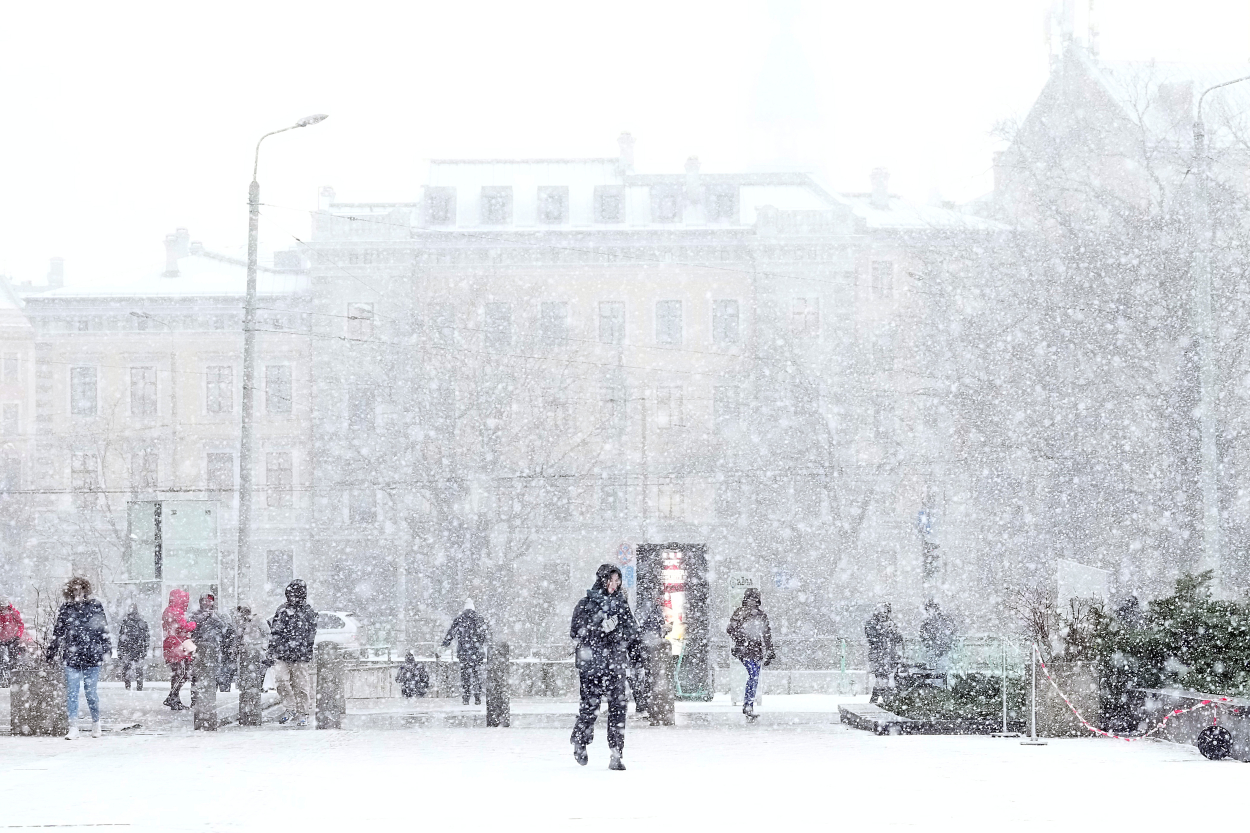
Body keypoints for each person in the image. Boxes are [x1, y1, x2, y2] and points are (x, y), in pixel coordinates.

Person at [570, 564, 638, 771]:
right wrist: (598, 626)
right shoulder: (585, 604)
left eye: (618, 581)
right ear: (602, 580)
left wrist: (634, 658)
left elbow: (632, 632)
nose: (614, 585)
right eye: (612, 580)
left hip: (615, 665)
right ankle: (580, 741)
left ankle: (616, 753)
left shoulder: (621, 604)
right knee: (590, 707)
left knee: (618, 708)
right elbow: (576, 631)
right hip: (592, 666)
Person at [46, 577, 110, 740]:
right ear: (70, 591)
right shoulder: (66, 608)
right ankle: (73, 727)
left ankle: (96, 722)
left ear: (85, 590)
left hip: (92, 655)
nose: (78, 592)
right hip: (72, 656)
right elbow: (58, 631)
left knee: (91, 693)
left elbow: (103, 628)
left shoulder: (95, 605)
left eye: (80, 589)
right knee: (72, 693)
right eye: (74, 589)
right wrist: (51, 652)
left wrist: (106, 649)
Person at [268, 579, 318, 726]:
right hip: (283, 653)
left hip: (300, 654)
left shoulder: (308, 612)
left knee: (301, 685)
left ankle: (302, 712)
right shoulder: (282, 610)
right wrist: (272, 649)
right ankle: (290, 708)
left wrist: (307, 651)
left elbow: (311, 634)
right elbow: (275, 631)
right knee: (281, 681)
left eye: (294, 594)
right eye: (289, 594)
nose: (291, 597)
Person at [727, 588, 776, 720]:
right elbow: (730, 629)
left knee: (754, 677)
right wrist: (741, 638)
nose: (752, 602)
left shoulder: (761, 615)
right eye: (750, 599)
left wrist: (770, 649)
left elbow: (766, 634)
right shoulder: (740, 613)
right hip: (744, 650)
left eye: (754, 599)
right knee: (753, 675)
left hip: (756, 651)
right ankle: (748, 704)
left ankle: (749, 705)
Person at [439, 600, 489, 705]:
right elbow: (486, 635)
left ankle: (466, 697)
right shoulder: (479, 619)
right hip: (476, 653)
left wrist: (444, 645)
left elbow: (451, 633)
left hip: (464, 653)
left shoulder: (460, 619)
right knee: (476, 675)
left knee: (465, 676)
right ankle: (477, 697)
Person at [188, 594, 234, 704]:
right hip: (198, 648)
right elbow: (190, 628)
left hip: (214, 649)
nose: (206, 603)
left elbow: (225, 628)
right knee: (197, 675)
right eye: (204, 600)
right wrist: (201, 618)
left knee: (211, 674)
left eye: (209, 601)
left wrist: (213, 617)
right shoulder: (195, 614)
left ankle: (209, 699)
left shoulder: (218, 615)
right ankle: (195, 699)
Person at [631, 598, 670, 718]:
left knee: (642, 677)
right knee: (647, 677)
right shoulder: (651, 609)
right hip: (646, 649)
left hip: (643, 649)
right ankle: (646, 706)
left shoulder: (647, 609)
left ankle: (644, 706)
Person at [161, 589, 197, 711]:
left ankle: (175, 700)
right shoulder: (176, 611)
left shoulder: (168, 610)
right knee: (183, 673)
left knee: (177, 674)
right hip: (177, 646)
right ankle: (172, 696)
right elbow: (183, 626)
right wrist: (193, 624)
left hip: (171, 645)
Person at [865, 603, 903, 703]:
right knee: (882, 678)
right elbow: (872, 639)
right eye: (882, 612)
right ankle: (885, 700)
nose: (883, 614)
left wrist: (893, 632)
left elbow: (899, 639)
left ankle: (876, 700)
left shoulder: (891, 623)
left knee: (883, 679)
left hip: (889, 656)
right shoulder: (871, 623)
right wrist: (884, 631)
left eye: (886, 612)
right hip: (878, 656)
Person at [232, 605, 270, 698]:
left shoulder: (257, 620)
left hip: (255, 652)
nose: (243, 614)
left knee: (254, 675)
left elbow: (267, 633)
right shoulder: (240, 623)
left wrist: (263, 646)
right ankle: (247, 693)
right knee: (245, 676)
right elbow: (238, 637)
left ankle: (253, 693)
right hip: (245, 653)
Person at [918, 600, 956, 681]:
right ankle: (936, 686)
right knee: (934, 672)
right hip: (934, 651)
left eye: (930, 609)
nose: (929, 612)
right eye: (928, 610)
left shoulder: (943, 620)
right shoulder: (927, 622)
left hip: (941, 651)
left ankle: (939, 687)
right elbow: (922, 636)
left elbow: (950, 633)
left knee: (941, 672)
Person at [117, 604, 150, 691]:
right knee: (138, 669)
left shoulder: (126, 622)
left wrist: (120, 650)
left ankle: (129, 687)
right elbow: (146, 638)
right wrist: (144, 649)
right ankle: (138, 687)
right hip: (137, 649)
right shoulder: (141, 622)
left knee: (128, 669)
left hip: (128, 649)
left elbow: (121, 638)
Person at [0, 597, 26, 688]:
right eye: (1, 607)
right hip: (1, 640)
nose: (2, 609)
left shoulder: (13, 612)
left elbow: (20, 624)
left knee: (13, 660)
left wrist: (18, 636)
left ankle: (14, 681)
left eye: (4, 607)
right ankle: (3, 680)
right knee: (2, 661)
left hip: (12, 639)